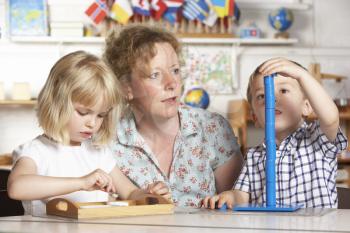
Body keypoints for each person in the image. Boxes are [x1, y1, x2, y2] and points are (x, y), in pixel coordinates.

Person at [7, 51, 170, 216]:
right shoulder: (36, 151)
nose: (92, 123)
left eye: (101, 115)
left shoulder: (98, 153)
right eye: (83, 112)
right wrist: (81, 182)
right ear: (56, 102)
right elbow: (17, 188)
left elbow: (130, 193)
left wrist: (150, 196)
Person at [103, 25, 244, 207]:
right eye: (155, 75)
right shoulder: (107, 138)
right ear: (125, 88)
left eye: (175, 70)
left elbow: (240, 204)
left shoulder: (213, 128)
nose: (172, 83)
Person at [203, 57, 348, 209]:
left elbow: (331, 118)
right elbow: (242, 195)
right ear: (255, 118)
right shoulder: (254, 157)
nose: (272, 99)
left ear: (307, 106)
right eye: (262, 96)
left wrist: (302, 75)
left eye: (284, 90)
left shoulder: (317, 138)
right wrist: (229, 196)